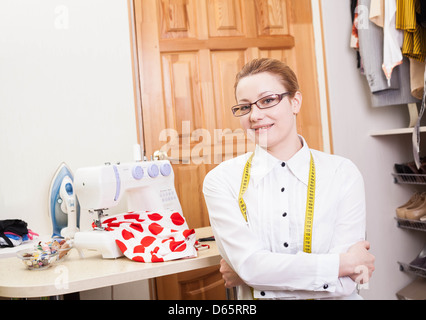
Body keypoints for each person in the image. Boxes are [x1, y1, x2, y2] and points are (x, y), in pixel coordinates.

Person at [202, 58, 375, 300]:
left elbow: (347, 282)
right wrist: (341, 263)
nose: (254, 115)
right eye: (245, 107)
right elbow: (251, 266)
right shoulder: (221, 181)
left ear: (295, 102)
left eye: (268, 100)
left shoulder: (343, 173)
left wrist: (254, 277)